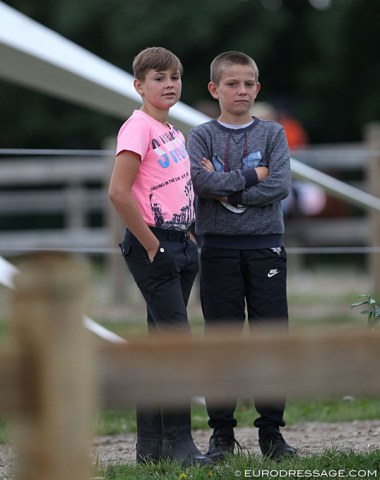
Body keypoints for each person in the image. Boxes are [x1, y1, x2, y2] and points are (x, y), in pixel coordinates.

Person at [187, 51, 297, 462]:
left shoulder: (273, 134)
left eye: (249, 83)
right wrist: (254, 175)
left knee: (271, 338)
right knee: (222, 340)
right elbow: (199, 182)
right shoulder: (200, 135)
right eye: (232, 84)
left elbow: (281, 186)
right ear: (215, 89)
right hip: (217, 250)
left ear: (258, 88)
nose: (242, 90)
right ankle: (221, 434)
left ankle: (271, 432)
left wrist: (225, 188)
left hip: (265, 246)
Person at [108, 46, 211, 467]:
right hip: (154, 246)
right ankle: (182, 446)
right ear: (139, 86)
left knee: (159, 346)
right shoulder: (137, 128)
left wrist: (186, 236)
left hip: (180, 242)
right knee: (177, 346)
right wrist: (153, 245)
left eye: (174, 77)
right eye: (158, 78)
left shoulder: (173, 132)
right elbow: (118, 192)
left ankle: (151, 450)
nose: (169, 85)